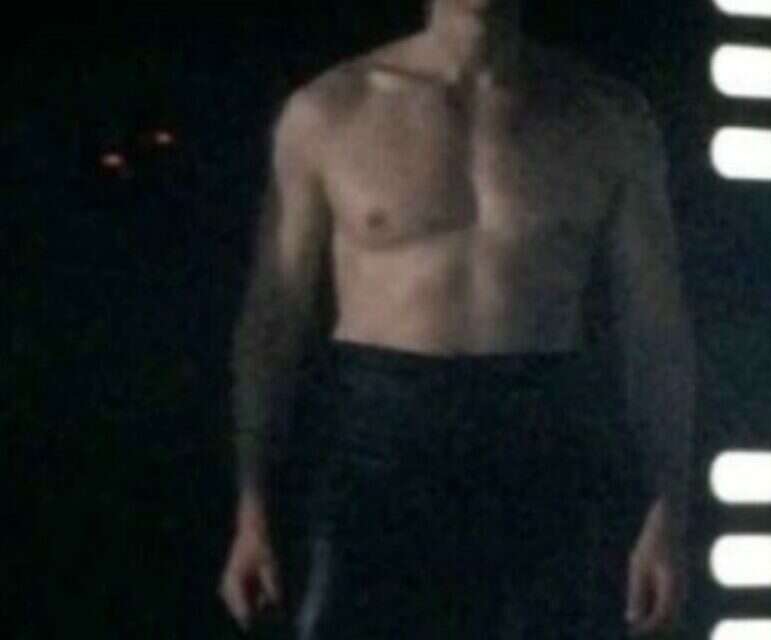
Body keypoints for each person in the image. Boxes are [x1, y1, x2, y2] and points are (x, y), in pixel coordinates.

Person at [218, 0, 695, 637]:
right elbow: (274, 321)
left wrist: (668, 511)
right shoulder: (331, 111)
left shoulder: (606, 118)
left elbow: (655, 329)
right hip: (378, 437)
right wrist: (251, 507)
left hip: (540, 438)